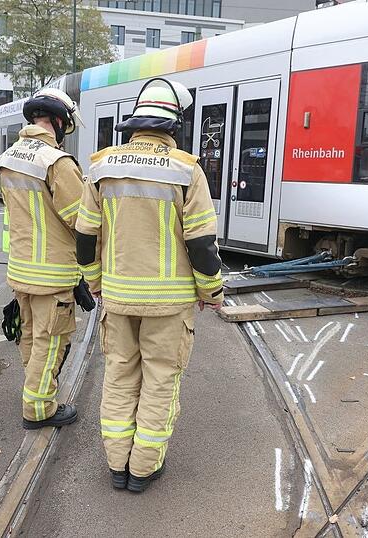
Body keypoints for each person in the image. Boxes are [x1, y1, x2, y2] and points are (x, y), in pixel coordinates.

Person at [75, 78, 225, 492]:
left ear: (135, 123)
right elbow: (201, 244)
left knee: (119, 375)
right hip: (169, 304)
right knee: (160, 378)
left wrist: (95, 282)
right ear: (174, 125)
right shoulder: (186, 170)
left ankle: (116, 464)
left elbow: (85, 235)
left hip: (118, 298)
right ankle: (143, 468)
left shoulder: (102, 166)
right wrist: (211, 292)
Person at [0, 88, 85, 430]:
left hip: (21, 267)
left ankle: (35, 390)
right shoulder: (56, 161)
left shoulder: (7, 158)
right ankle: (39, 408)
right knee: (52, 340)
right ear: (59, 122)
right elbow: (80, 219)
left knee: (31, 336)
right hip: (53, 271)